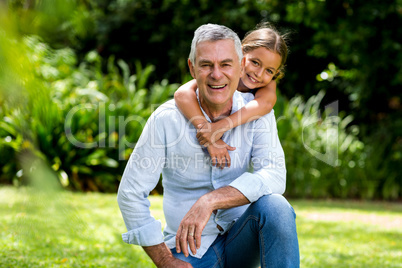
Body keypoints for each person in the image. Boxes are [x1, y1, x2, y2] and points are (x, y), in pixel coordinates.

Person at [117, 23, 299, 267]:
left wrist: (211, 201)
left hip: (241, 239)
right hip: (191, 248)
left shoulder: (258, 112)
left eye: (225, 64)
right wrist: (164, 260)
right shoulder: (167, 119)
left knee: (276, 206)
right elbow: (130, 193)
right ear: (192, 68)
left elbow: (275, 175)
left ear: (237, 64)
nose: (216, 74)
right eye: (206, 65)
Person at [174, 23, 288, 169]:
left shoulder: (267, 86)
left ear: (276, 74)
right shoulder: (219, 75)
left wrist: (221, 127)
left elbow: (265, 105)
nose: (259, 74)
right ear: (240, 55)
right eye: (255, 62)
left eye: (269, 71)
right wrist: (209, 134)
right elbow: (182, 94)